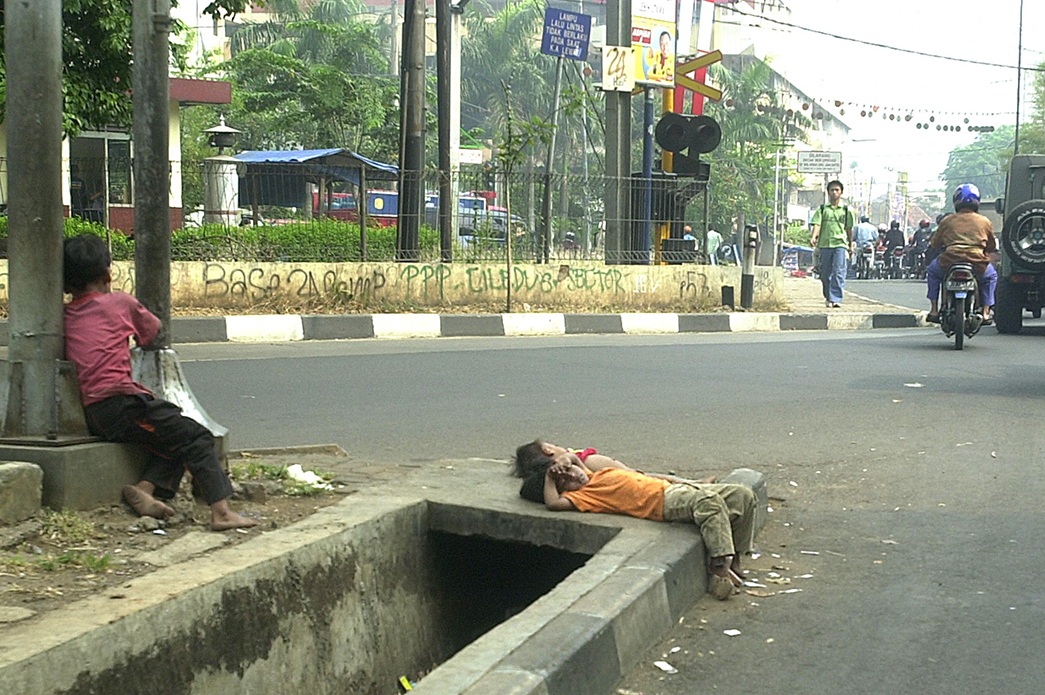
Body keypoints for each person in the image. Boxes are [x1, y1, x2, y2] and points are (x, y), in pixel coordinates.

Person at [63, 234, 257, 531]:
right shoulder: (120, 303)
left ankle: (145, 488)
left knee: (174, 438)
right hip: (121, 404)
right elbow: (151, 331)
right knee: (197, 437)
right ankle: (222, 512)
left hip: (93, 412)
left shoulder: (65, 315)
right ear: (107, 274)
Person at [512, 440, 756, 601]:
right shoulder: (585, 496)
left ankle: (735, 557)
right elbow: (553, 504)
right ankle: (719, 566)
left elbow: (574, 461)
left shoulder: (587, 473)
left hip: (669, 488)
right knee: (710, 502)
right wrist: (550, 480)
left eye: (572, 471)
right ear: (565, 491)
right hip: (664, 503)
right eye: (567, 480)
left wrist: (563, 463)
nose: (574, 475)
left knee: (743, 496)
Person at [925, 184, 997, 324]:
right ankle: (986, 312)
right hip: (977, 262)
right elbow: (992, 245)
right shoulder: (984, 221)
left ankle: (934, 310)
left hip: (950, 260)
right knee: (991, 277)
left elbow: (935, 244)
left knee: (932, 272)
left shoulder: (947, 220)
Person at [810, 180, 855, 307]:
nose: (834, 192)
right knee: (824, 273)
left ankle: (836, 299)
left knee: (838, 271)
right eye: (832, 190)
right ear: (828, 192)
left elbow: (849, 228)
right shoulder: (823, 209)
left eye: (837, 190)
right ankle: (828, 297)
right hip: (825, 244)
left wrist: (850, 244)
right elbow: (817, 224)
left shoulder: (846, 210)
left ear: (841, 192)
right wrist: (814, 236)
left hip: (840, 244)